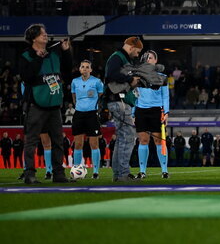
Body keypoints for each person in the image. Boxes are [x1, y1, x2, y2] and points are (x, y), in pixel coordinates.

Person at [17, 23, 73, 184]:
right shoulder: (26, 56)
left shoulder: (54, 52)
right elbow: (27, 77)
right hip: (36, 104)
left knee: (58, 141)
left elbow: (67, 70)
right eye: (43, 33)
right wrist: (38, 59)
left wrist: (66, 51)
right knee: (32, 141)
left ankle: (59, 174)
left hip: (54, 105)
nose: (46, 35)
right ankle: (30, 174)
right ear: (34, 38)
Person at [104, 36, 144, 182]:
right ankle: (123, 174)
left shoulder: (122, 58)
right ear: (132, 47)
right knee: (128, 137)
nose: (138, 54)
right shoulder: (118, 57)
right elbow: (112, 75)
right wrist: (130, 79)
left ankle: (118, 174)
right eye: (138, 51)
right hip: (118, 101)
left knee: (122, 138)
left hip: (118, 101)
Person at [134, 50, 170, 179]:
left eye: (150, 58)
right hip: (141, 111)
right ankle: (142, 171)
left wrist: (166, 112)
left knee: (158, 141)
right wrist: (133, 113)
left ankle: (164, 171)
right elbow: (135, 96)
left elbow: (165, 96)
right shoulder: (138, 77)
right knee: (143, 140)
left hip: (156, 111)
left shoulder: (162, 77)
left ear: (155, 60)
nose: (148, 60)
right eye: (146, 58)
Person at [70, 59, 105, 179]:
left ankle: (95, 172)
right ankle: (76, 169)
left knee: (94, 143)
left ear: (91, 69)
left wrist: (93, 106)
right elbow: (74, 97)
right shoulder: (75, 82)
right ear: (79, 69)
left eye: (87, 67)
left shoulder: (97, 82)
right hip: (79, 114)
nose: (84, 69)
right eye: (82, 66)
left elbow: (101, 95)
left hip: (92, 114)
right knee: (78, 144)